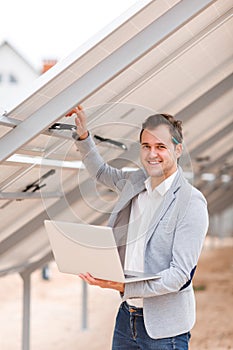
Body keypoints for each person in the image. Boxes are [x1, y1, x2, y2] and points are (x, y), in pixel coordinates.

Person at [66, 105, 209, 350]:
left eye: (161, 147)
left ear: (177, 149)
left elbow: (179, 276)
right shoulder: (135, 182)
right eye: (146, 146)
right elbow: (101, 172)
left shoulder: (191, 202)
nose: (152, 154)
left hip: (166, 329)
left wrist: (123, 286)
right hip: (126, 317)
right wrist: (83, 137)